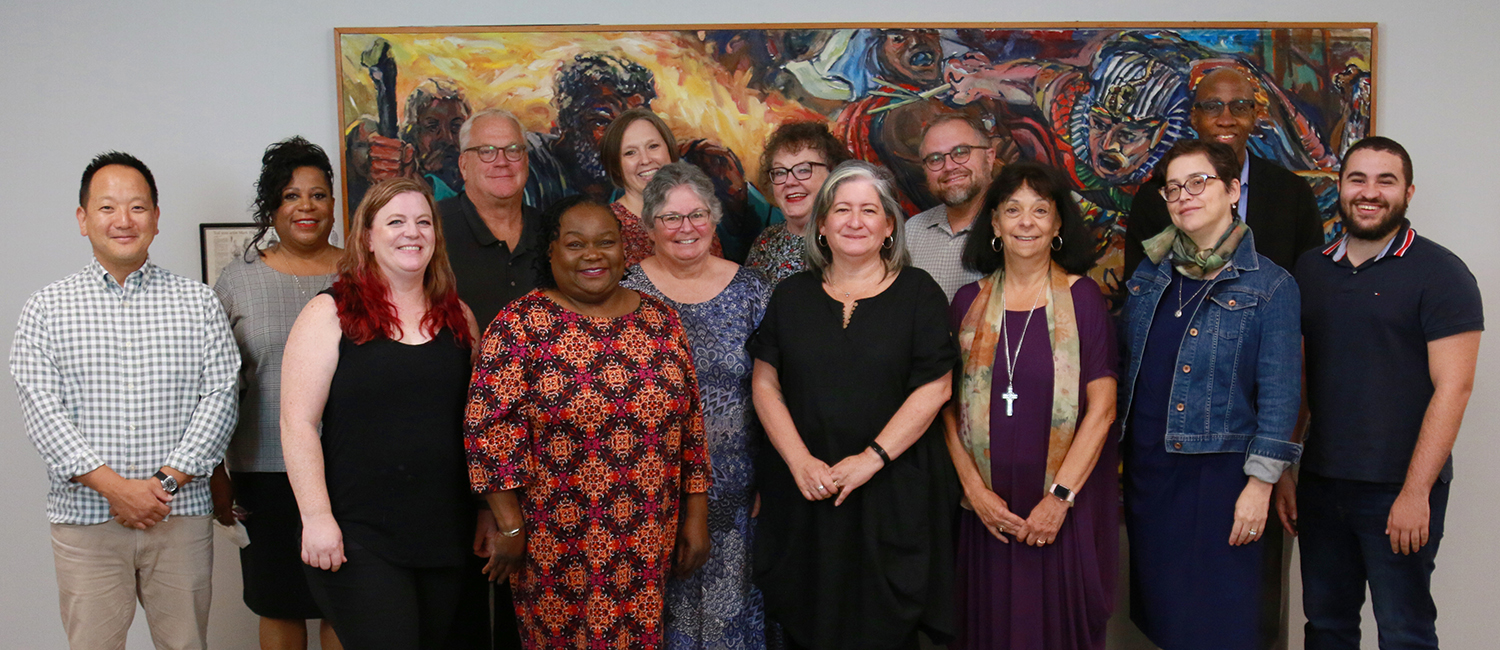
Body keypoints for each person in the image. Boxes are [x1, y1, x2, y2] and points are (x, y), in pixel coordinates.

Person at [10, 152, 239, 649]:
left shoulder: (198, 303)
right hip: (85, 520)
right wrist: (116, 489)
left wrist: (162, 484)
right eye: (108, 207)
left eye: (137, 208)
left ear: (156, 218)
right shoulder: (45, 309)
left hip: (177, 513)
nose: (123, 221)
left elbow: (221, 398)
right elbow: (42, 413)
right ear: (83, 219)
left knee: (185, 645)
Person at [465, 195, 713, 649]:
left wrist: (696, 516)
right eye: (576, 244)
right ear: (552, 252)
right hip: (555, 542)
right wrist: (511, 527)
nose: (593, 255)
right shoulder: (520, 326)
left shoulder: (661, 322)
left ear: (625, 249)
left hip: (646, 536)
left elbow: (691, 427)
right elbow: (490, 437)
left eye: (607, 242)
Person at [748, 160, 960, 650]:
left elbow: (936, 388)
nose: (855, 220)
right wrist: (799, 461)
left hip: (889, 492)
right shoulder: (791, 296)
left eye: (869, 210)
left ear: (890, 226)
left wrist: (870, 461)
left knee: (885, 631)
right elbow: (765, 385)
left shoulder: (919, 293)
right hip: (806, 492)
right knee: (808, 626)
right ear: (821, 224)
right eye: (841, 209)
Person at [1287, 137, 1482, 650]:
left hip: (1399, 489)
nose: (1369, 192)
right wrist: (1286, 469)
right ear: (1340, 188)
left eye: (1385, 181)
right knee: (1326, 628)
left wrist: (1416, 493)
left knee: (1404, 632)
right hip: (1323, 485)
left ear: (1408, 192)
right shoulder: (1310, 270)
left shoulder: (1442, 273)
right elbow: (1301, 379)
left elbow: (1455, 387)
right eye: (1358, 179)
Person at [281, 178, 481, 650]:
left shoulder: (460, 317)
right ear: (368, 237)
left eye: (422, 222)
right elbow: (297, 423)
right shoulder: (329, 313)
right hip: (358, 535)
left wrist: (487, 513)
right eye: (395, 221)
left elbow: (479, 429)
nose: (411, 233)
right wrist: (316, 517)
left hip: (444, 534)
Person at [1117, 140, 1302, 650]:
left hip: (1221, 481)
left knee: (1222, 624)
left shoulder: (1270, 285)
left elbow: (1282, 395)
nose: (1184, 195)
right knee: (1167, 620)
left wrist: (1260, 486)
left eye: (1198, 182)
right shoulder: (1150, 274)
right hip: (1150, 474)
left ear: (1233, 191)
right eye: (1174, 187)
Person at [942, 161, 1118, 649]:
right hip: (989, 513)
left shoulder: (1084, 300)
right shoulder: (965, 304)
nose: (1026, 221)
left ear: (1058, 223)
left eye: (1040, 210)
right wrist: (975, 493)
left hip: (1062, 509)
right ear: (994, 222)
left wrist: (1057, 500)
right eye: (1013, 210)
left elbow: (1102, 410)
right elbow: (946, 411)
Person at [620, 162, 774, 649]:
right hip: (649, 494)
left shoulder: (755, 291)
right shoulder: (625, 294)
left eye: (698, 214)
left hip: (738, 491)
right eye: (670, 218)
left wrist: (771, 477)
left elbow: (780, 391)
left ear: (714, 217)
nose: (686, 228)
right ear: (647, 227)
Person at [211, 137, 343, 650]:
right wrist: (216, 473)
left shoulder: (365, 271)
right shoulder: (237, 280)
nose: (306, 206)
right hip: (262, 470)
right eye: (291, 195)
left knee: (342, 599)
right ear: (271, 207)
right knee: (278, 601)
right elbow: (218, 385)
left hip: (349, 468)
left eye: (318, 194)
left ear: (334, 203)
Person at [1126, 66, 1325, 277]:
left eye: (1239, 107)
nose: (1226, 120)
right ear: (1194, 118)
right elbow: (1138, 288)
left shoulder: (1293, 194)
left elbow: (1310, 283)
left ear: (1254, 115)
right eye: (1212, 107)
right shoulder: (1157, 197)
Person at [906, 114, 999, 300]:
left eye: (961, 152)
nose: (949, 166)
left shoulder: (1017, 227)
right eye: (935, 159)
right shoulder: (912, 232)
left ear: (989, 158)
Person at [745, 122, 851, 284]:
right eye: (780, 172)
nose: (789, 182)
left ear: (834, 174)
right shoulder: (766, 240)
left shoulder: (851, 240)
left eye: (803, 169)